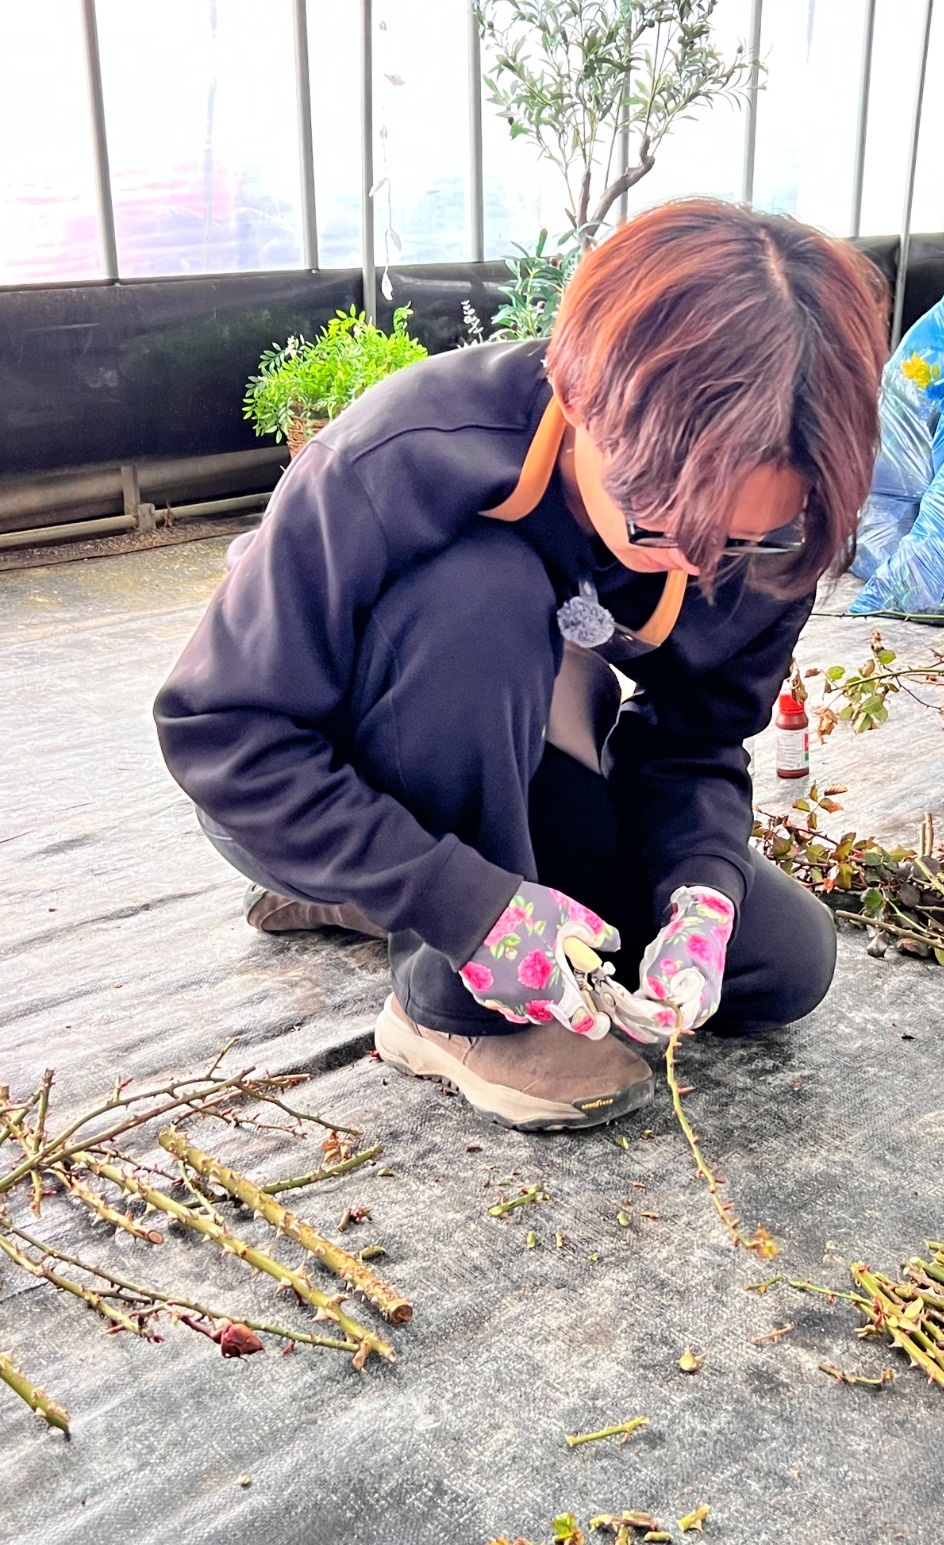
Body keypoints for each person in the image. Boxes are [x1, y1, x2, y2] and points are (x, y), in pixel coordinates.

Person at [154, 198, 888, 1134]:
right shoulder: (405, 454)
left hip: (513, 761)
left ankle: (387, 889)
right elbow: (220, 734)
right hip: (302, 774)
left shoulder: (775, 530)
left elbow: (697, 742)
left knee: (783, 958)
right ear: (578, 401)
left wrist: (700, 892)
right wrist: (467, 908)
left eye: (742, 535)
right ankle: (445, 1004)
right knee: (482, 598)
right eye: (659, 521)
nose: (700, 565)